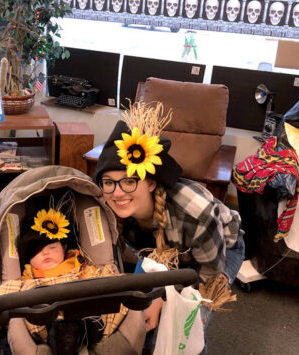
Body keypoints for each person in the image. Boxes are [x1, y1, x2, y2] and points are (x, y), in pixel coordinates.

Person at [93, 102, 245, 353]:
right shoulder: (109, 205)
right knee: (137, 314)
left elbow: (206, 274)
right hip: (160, 252)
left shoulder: (196, 212)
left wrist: (164, 298)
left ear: (151, 182)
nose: (117, 193)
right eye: (109, 182)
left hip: (215, 255)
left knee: (182, 332)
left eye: (129, 181)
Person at [0, 207, 128, 355]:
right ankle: (65, 334)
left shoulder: (80, 267)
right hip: (46, 321)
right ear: (28, 259)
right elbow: (6, 292)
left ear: (64, 248)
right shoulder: (27, 279)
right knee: (21, 310)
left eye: (52, 247)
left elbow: (104, 279)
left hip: (87, 312)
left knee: (111, 293)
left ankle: (86, 331)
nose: (46, 252)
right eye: (37, 251)